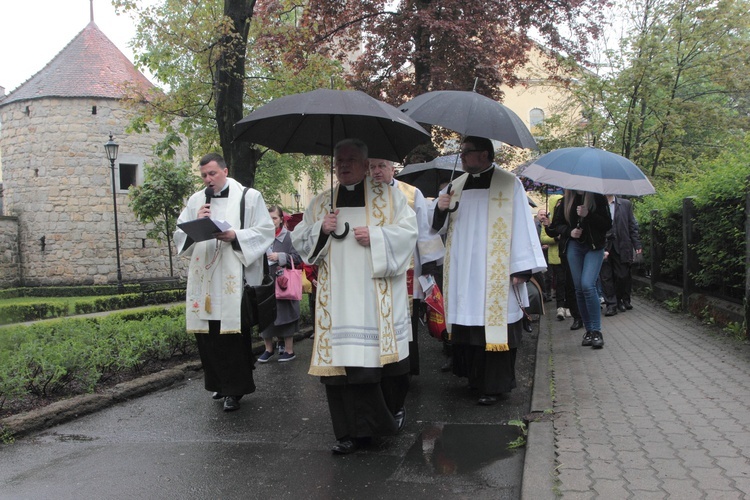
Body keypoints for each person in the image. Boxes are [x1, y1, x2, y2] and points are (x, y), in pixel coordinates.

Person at [291, 139, 418, 455]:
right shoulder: (321, 203)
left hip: (374, 298)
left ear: (365, 165)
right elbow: (300, 241)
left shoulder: (389, 198)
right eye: (339, 161)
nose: (344, 165)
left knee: (371, 368)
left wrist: (376, 235)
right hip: (336, 301)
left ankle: (373, 428)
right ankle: (347, 432)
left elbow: (408, 234)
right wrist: (322, 229)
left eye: (351, 160)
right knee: (339, 371)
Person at [430, 136, 547, 406]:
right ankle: (474, 379)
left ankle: (494, 386)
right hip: (463, 269)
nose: (462, 157)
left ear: (484, 155)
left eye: (467, 152)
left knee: (494, 328)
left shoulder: (509, 183)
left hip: (497, 269)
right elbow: (437, 228)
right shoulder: (454, 186)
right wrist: (440, 208)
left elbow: (522, 226)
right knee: (469, 327)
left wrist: (522, 268)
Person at [174, 153, 275, 411]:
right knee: (207, 336)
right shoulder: (196, 199)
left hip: (233, 279)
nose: (208, 179)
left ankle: (235, 390)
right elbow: (180, 233)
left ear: (225, 170)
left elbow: (265, 231)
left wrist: (234, 235)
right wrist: (195, 220)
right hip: (205, 278)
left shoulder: (248, 197)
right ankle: (218, 384)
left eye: (212, 174)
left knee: (231, 336)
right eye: (204, 175)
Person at [369, 158, 444, 376]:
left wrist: (430, 266)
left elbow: (424, 229)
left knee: (406, 319)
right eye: (371, 167)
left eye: (381, 166)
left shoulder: (411, 193)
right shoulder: (365, 193)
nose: (376, 171)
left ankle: (406, 367)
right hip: (375, 266)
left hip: (408, 268)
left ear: (393, 169)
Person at [549, 189, 612, 348]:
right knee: (579, 288)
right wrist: (570, 232)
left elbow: (607, 224)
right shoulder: (566, 201)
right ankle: (589, 330)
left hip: (594, 247)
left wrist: (588, 215)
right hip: (574, 247)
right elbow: (556, 226)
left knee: (587, 285)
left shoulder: (598, 198)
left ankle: (597, 331)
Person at [257, 206, 302, 363]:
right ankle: (268, 349)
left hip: (284, 282)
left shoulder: (290, 237)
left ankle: (289, 350)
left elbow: (298, 258)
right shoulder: (261, 237)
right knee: (265, 315)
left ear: (281, 219)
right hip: (265, 283)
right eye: (268, 218)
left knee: (286, 313)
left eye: (274, 218)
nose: (271, 222)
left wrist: (281, 256)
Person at [600, 195, 642, 316]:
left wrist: (637, 244)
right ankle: (611, 305)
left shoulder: (625, 204)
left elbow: (632, 225)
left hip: (622, 245)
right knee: (606, 276)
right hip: (603, 246)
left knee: (622, 275)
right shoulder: (597, 204)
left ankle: (619, 299)